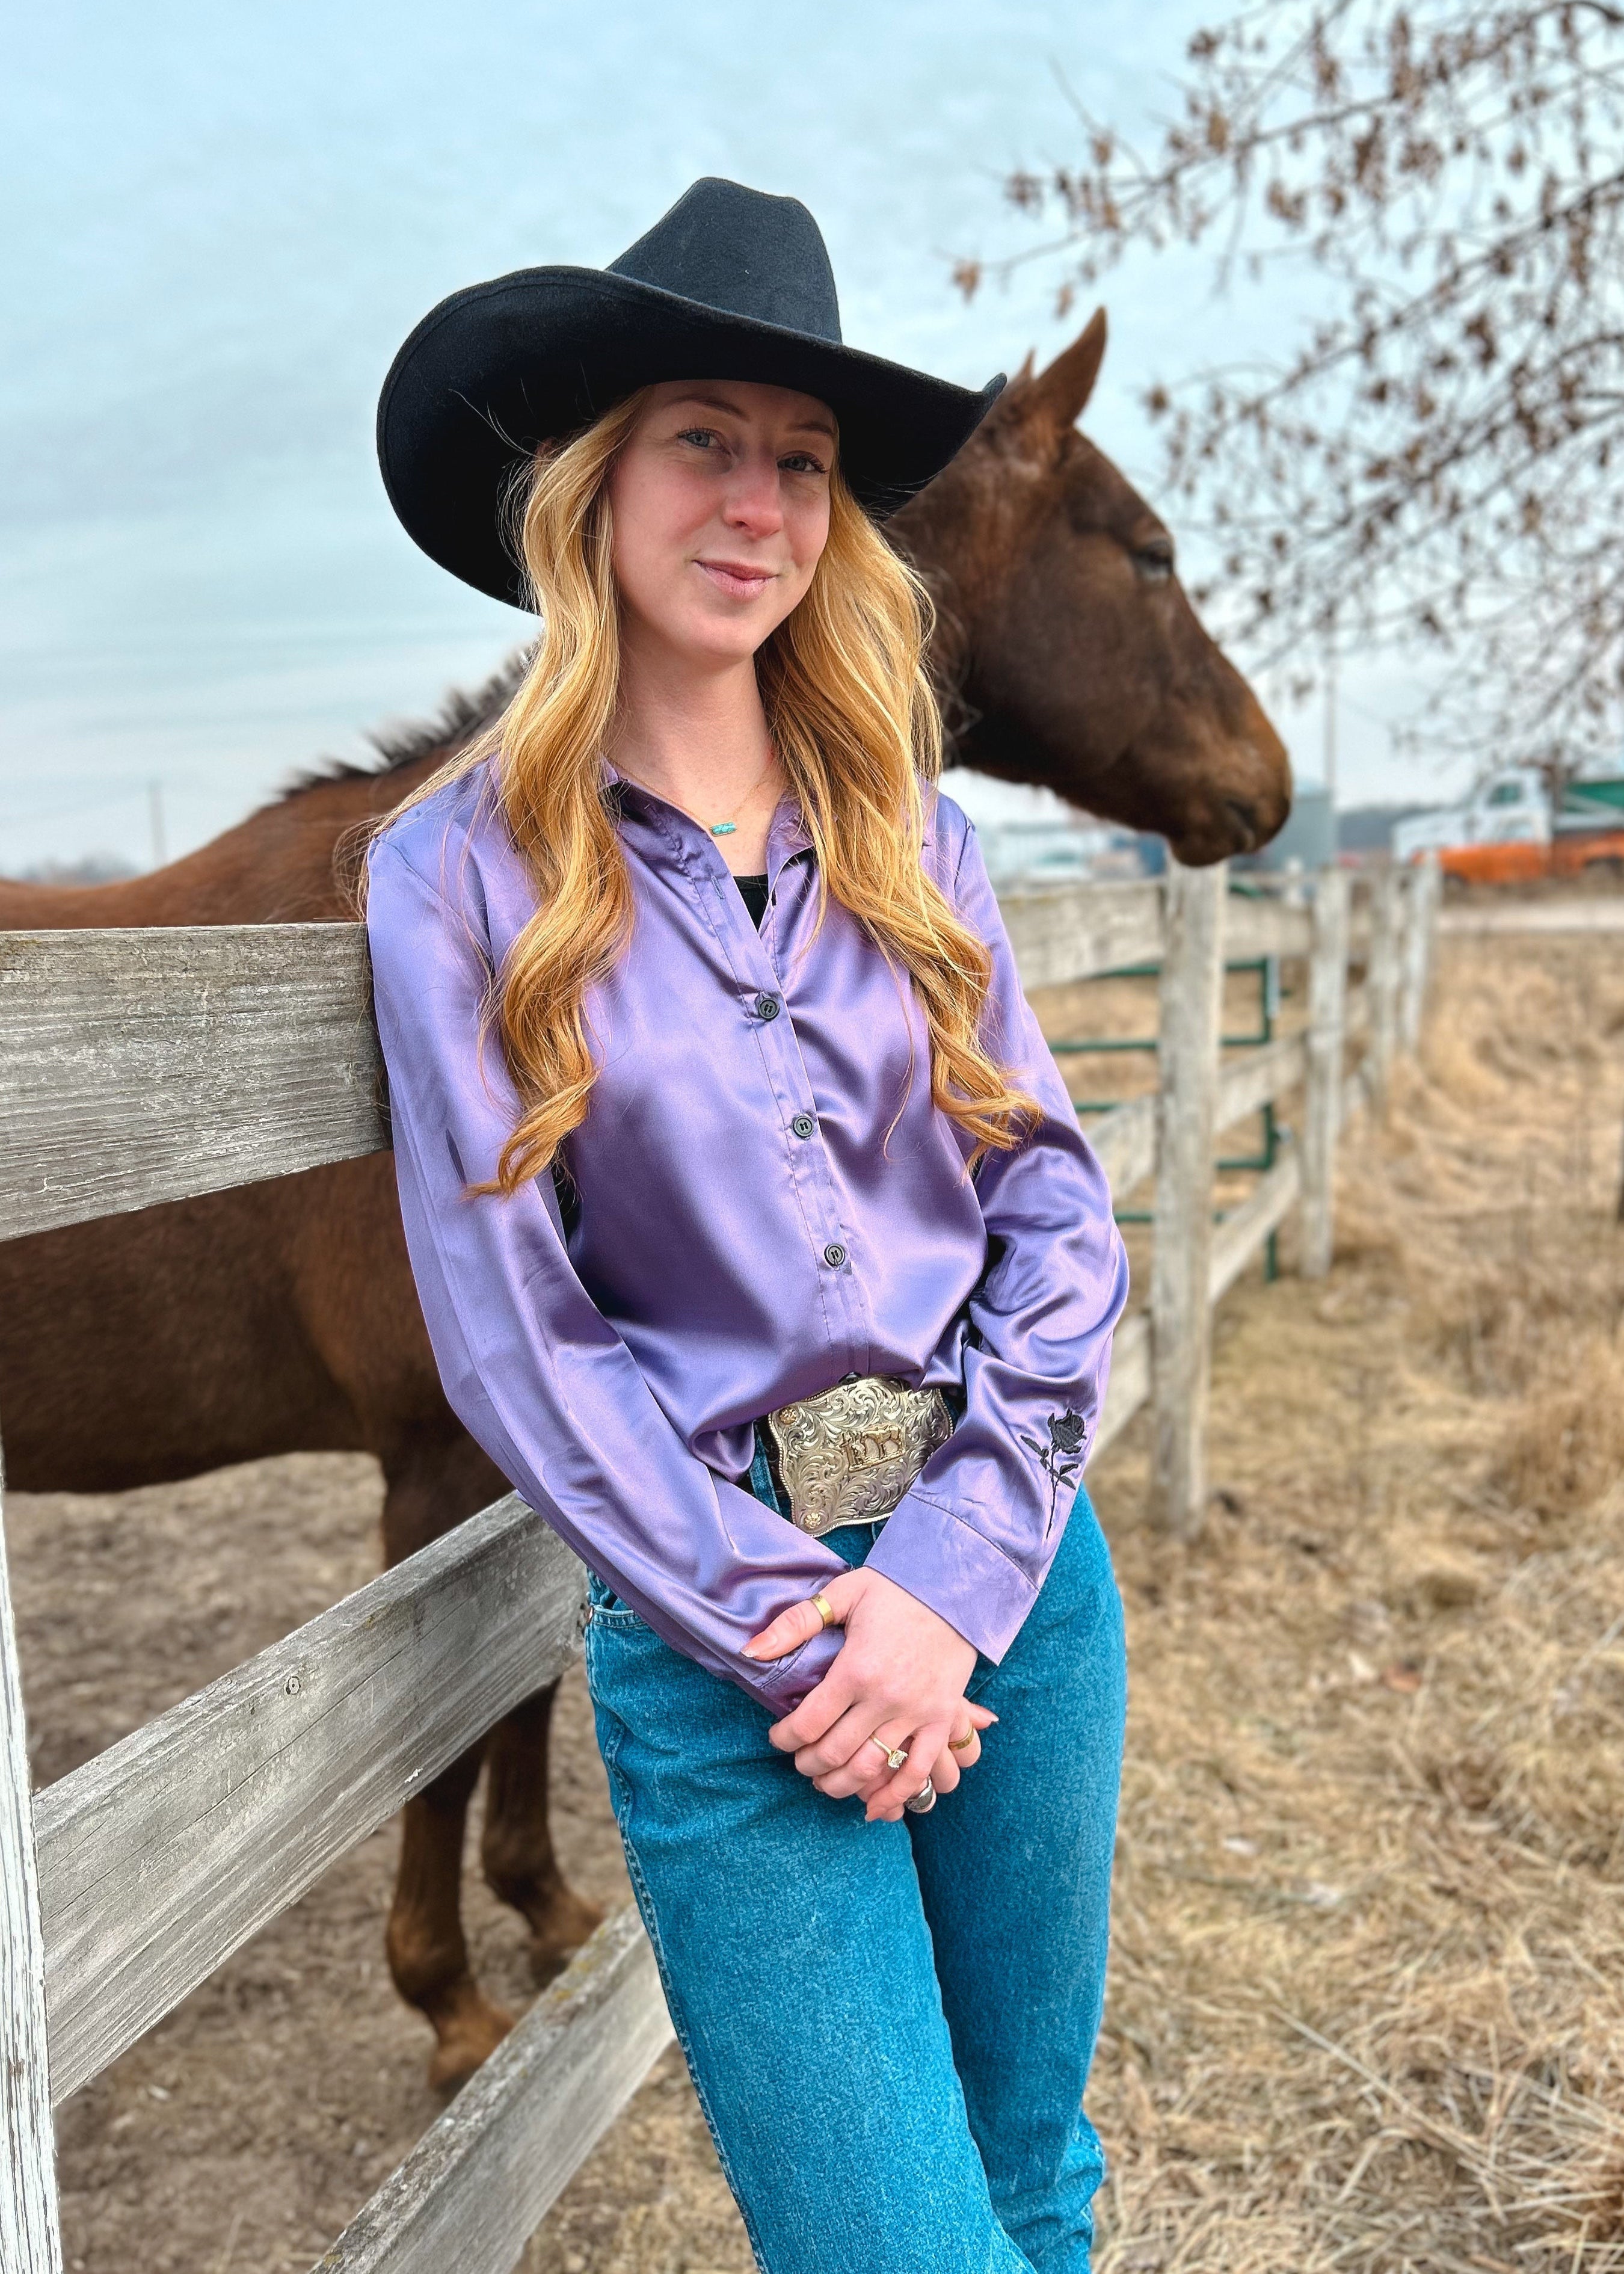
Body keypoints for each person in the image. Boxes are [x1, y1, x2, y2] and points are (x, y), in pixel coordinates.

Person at [364, 177, 1131, 2273]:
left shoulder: (917, 834)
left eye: (801, 461)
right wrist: (816, 1625)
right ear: (590, 479)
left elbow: (1052, 1211)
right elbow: (518, 1330)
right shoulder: (455, 875)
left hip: (1015, 1595)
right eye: (705, 437)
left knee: (1029, 2181)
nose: (759, 501)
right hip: (742, 1655)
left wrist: (954, 1576)